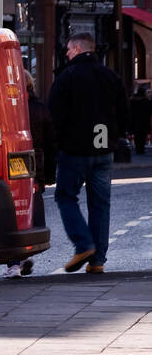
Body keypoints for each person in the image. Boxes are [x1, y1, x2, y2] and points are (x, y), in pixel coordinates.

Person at [47, 34, 128, 274]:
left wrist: (58, 144)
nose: (67, 54)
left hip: (75, 150)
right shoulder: (110, 76)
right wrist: (115, 136)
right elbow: (124, 112)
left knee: (65, 196)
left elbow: (55, 116)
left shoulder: (67, 77)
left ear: (78, 48)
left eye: (69, 50)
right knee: (101, 204)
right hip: (104, 151)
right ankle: (97, 261)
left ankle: (84, 244)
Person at [5, 71, 56, 278]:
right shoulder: (41, 108)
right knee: (30, 212)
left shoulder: (11, 109)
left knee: (14, 213)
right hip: (36, 167)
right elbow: (51, 145)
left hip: (16, 163)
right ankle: (24, 256)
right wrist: (49, 175)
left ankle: (15, 263)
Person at [130, 84, 151, 155]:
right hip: (144, 121)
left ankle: (138, 148)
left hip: (135, 121)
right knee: (142, 136)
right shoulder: (146, 102)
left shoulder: (133, 100)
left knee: (137, 135)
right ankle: (141, 149)